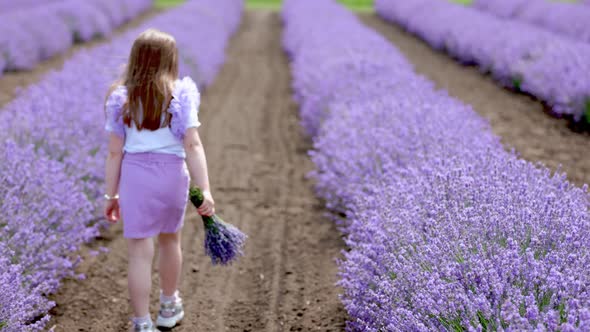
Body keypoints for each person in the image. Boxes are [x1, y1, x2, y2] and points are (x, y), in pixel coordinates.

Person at [102, 28, 215, 332]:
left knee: (139, 253)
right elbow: (192, 145)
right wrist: (204, 189)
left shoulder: (121, 98)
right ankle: (168, 307)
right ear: (171, 60)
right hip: (171, 175)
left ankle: (141, 323)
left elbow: (114, 154)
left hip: (135, 177)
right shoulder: (181, 94)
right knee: (170, 241)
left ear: (135, 60)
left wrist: (110, 196)